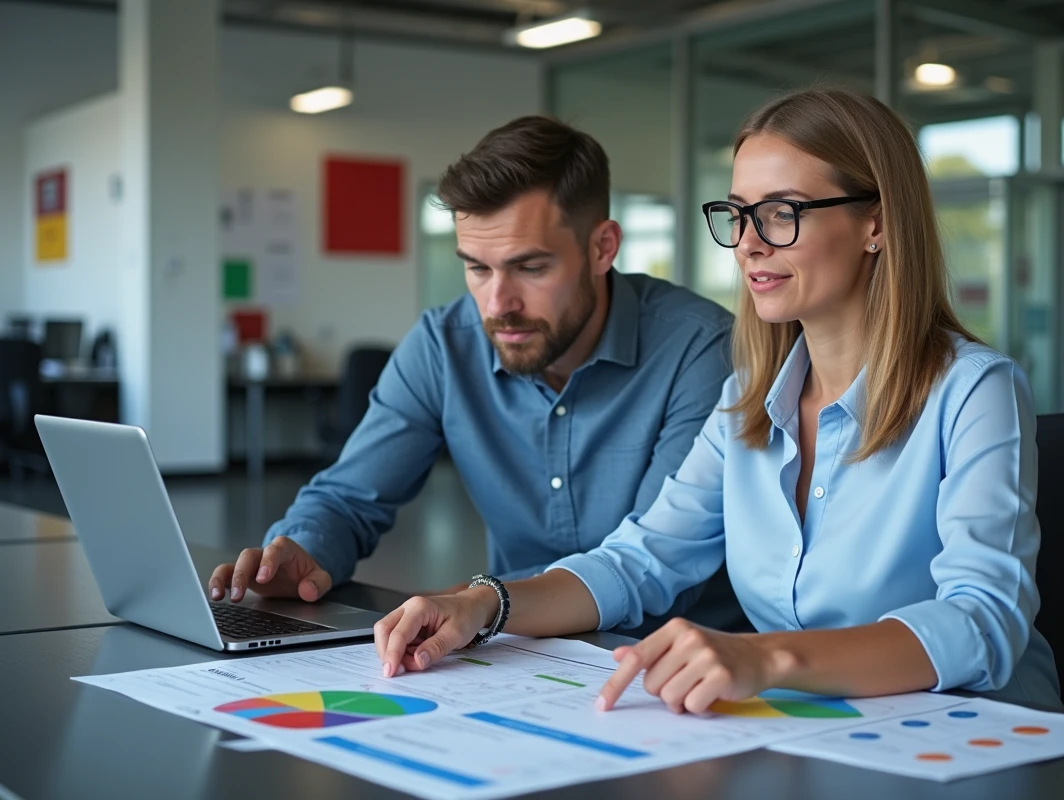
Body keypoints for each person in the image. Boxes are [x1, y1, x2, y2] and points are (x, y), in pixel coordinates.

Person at [370, 88, 1063, 714]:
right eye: (737, 215)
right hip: (816, 736)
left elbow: (984, 619)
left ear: (875, 224)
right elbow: (640, 560)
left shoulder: (974, 389)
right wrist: (483, 603)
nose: (750, 245)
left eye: (782, 213)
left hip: (980, 737)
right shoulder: (750, 401)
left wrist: (765, 657)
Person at [208, 116, 748, 634]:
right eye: (477, 267)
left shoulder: (701, 351)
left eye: (531, 267)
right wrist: (301, 552)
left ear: (602, 247)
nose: (498, 304)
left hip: (678, 662)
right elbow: (348, 498)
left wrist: (485, 604)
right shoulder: (446, 345)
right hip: (516, 650)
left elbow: (656, 566)